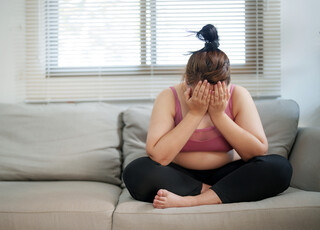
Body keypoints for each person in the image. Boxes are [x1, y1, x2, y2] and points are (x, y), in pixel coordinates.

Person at [122, 24, 292, 209]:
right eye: (201, 93)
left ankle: (192, 200)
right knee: (135, 172)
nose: (209, 99)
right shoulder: (168, 97)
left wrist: (219, 115)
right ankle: (216, 192)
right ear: (187, 82)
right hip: (181, 176)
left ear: (228, 84)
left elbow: (256, 152)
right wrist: (195, 113)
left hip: (227, 174)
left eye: (217, 92)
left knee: (280, 167)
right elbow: (158, 157)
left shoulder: (239, 95)